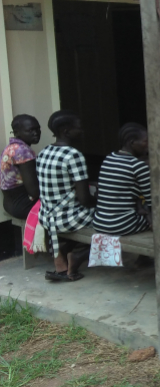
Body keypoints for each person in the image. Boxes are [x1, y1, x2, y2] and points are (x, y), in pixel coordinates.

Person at [37, 110, 97, 282]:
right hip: (68, 219)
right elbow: (85, 200)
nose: (82, 131)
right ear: (66, 130)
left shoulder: (44, 152)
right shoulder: (74, 155)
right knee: (114, 221)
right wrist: (100, 202)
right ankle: (77, 257)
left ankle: (62, 254)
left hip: (47, 217)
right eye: (78, 128)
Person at [94, 123, 152, 236]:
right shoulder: (138, 166)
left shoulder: (109, 158)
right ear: (132, 143)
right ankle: (145, 254)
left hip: (99, 222)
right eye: (146, 142)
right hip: (123, 224)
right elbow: (153, 201)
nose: (149, 146)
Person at [2, 114, 41, 219]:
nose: (36, 133)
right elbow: (34, 191)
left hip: (9, 204)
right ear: (17, 132)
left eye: (38, 129)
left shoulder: (11, 147)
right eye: (30, 130)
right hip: (24, 205)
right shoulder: (23, 151)